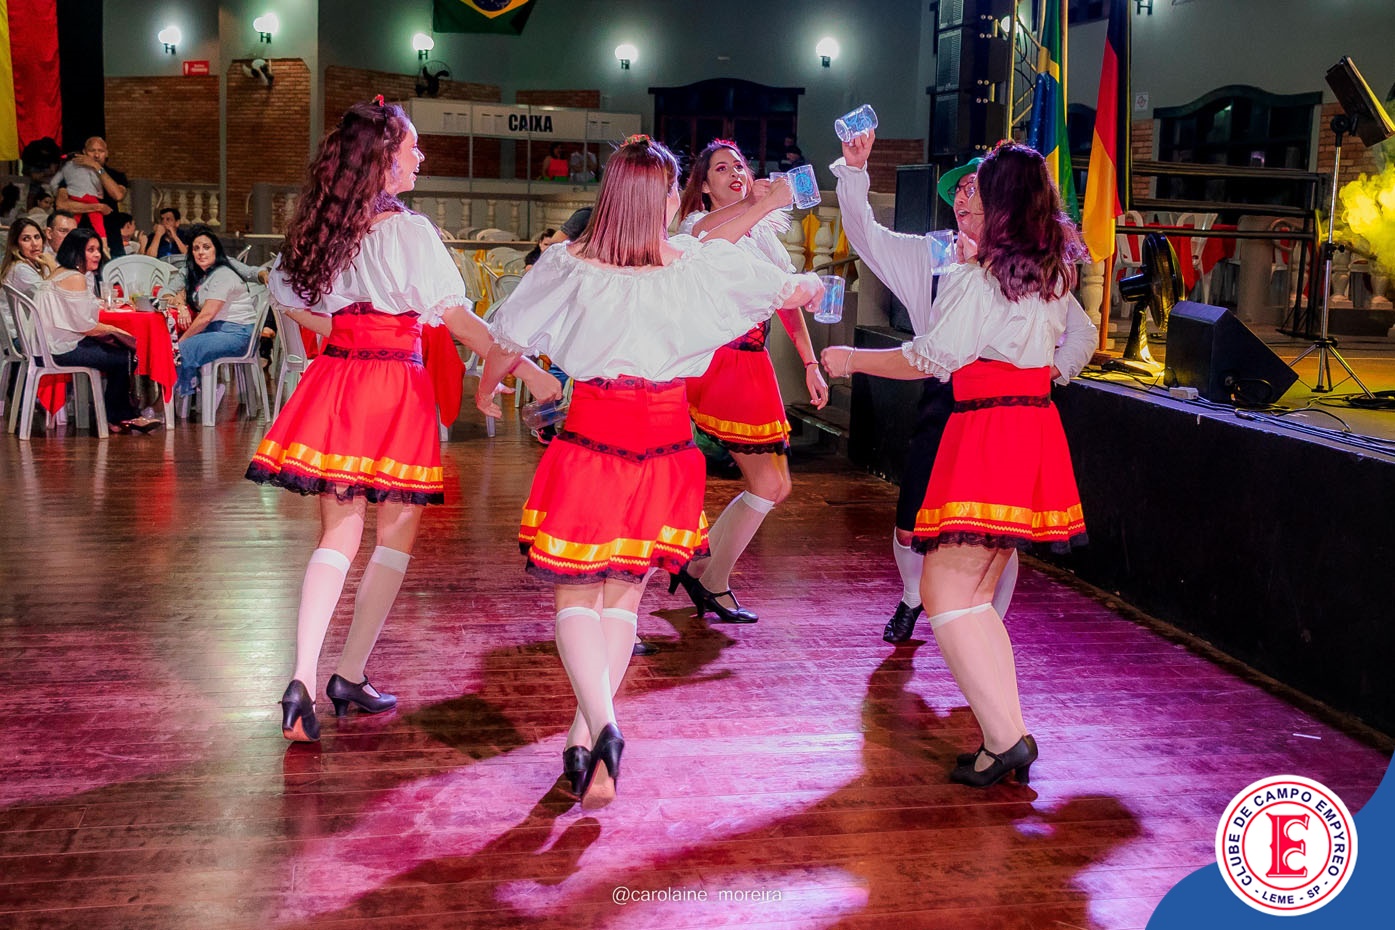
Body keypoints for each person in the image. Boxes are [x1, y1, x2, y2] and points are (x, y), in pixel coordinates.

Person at [476, 135, 822, 809]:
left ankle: (601, 728)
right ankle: (588, 741)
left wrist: (489, 389)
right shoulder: (696, 263)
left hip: (593, 437)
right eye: (671, 190)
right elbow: (790, 290)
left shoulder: (569, 264)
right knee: (622, 601)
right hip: (665, 445)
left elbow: (508, 337)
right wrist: (810, 286)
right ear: (659, 198)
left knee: (578, 599)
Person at [245, 99, 560, 744]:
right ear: (385, 157)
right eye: (413, 147)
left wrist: (351, 329)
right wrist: (527, 371)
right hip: (393, 384)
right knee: (393, 536)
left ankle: (303, 679)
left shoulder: (323, 227)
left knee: (337, 534)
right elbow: (458, 319)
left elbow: (291, 302)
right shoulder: (408, 232)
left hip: (338, 376)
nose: (421, 156)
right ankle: (349, 672)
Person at [822, 139, 1093, 788]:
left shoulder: (978, 278)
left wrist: (851, 360)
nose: (965, 198)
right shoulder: (1053, 273)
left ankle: (1004, 738)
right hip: (1026, 427)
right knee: (972, 597)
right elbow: (1068, 337)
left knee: (947, 595)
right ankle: (1008, 734)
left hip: (987, 430)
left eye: (978, 188)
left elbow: (930, 357)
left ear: (1000, 204)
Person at [671, 139, 828, 623]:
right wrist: (762, 203)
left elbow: (786, 302)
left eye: (739, 165)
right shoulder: (698, 227)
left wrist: (810, 362)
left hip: (754, 363)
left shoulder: (763, 235)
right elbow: (709, 242)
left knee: (777, 487)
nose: (736, 172)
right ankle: (708, 577)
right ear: (704, 186)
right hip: (724, 362)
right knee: (769, 482)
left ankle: (699, 569)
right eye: (722, 168)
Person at [31, 228, 161, 433]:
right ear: (76, 251)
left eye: (98, 249)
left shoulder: (61, 273)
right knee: (122, 356)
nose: (97, 255)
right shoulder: (75, 277)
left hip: (48, 344)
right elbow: (86, 327)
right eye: (90, 250)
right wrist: (116, 330)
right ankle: (120, 417)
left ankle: (120, 415)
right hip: (59, 348)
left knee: (120, 352)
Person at [171, 226, 258, 407]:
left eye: (206, 247)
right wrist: (180, 303)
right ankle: (196, 389)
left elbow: (206, 316)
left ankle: (176, 398)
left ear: (216, 250)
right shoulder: (206, 275)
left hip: (237, 335)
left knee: (180, 349)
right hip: (221, 331)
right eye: (196, 248)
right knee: (174, 345)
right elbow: (177, 292)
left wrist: (181, 342)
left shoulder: (223, 275)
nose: (201, 252)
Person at [53, 137, 126, 239]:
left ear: (106, 154)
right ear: (84, 152)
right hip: (79, 235)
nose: (96, 155)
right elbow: (61, 205)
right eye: (92, 151)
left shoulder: (116, 175)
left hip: (110, 235)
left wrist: (97, 167)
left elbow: (118, 195)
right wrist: (98, 207)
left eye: (101, 151)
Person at [2, 218, 51, 298]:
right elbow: (49, 299)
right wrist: (52, 267)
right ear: (16, 245)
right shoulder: (20, 269)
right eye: (26, 239)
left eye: (37, 237)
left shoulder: (37, 263)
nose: (34, 244)